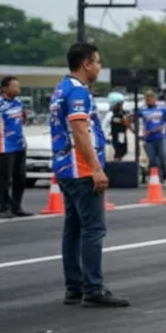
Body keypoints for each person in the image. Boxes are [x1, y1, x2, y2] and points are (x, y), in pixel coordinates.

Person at [50, 43, 129, 307]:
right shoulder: (78, 91)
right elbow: (80, 130)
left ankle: (74, 287)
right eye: (97, 62)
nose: (99, 67)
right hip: (81, 169)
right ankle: (93, 289)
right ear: (86, 63)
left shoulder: (61, 88)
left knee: (72, 229)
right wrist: (96, 168)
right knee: (94, 229)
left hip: (64, 168)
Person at [0, 75, 31, 217]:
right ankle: (3, 208)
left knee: (21, 178)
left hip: (19, 145)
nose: (18, 88)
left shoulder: (19, 102)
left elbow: (23, 118)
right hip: (5, 146)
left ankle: (16, 207)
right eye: (15, 86)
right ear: (5, 88)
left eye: (18, 86)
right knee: (5, 179)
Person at [136, 90, 166, 179]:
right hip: (149, 138)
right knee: (152, 159)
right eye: (146, 99)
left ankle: (164, 174)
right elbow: (132, 118)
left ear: (154, 99)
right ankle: (155, 176)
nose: (148, 101)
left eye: (150, 98)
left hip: (160, 136)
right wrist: (137, 131)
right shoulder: (143, 110)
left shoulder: (162, 109)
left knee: (163, 156)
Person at [107, 92, 130, 161]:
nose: (121, 104)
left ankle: (118, 159)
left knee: (122, 149)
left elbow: (126, 123)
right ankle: (117, 160)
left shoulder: (122, 112)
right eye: (120, 103)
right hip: (115, 134)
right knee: (118, 149)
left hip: (121, 134)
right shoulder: (113, 112)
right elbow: (125, 122)